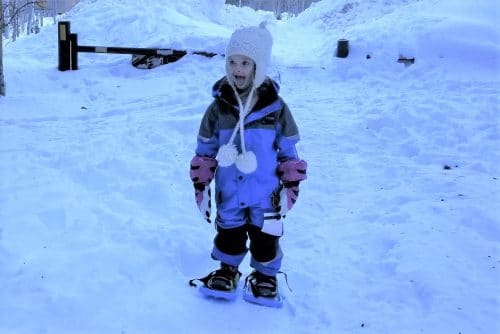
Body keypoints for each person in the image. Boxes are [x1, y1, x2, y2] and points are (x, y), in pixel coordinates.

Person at [189, 22, 307, 300]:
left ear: (259, 66)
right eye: (232, 62)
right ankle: (228, 269)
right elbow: (205, 148)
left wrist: (291, 182)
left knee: (266, 236)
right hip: (230, 188)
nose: (237, 69)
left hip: (266, 192)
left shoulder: (276, 108)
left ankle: (265, 275)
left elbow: (289, 149)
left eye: (245, 63)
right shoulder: (218, 107)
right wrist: (201, 182)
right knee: (229, 229)